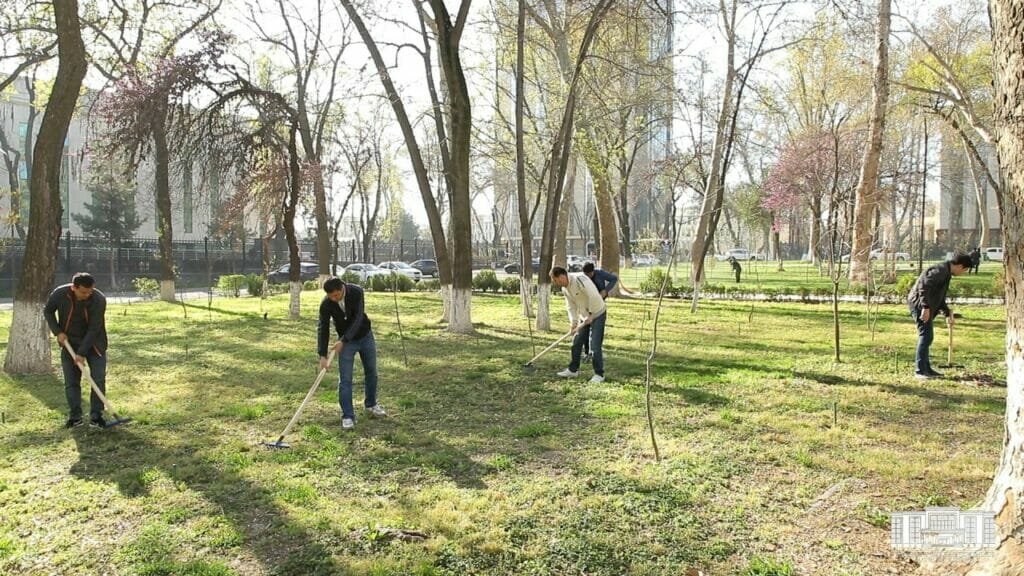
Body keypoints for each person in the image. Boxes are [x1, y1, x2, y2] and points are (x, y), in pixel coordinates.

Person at [318, 277, 387, 430]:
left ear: (342, 288)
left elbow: (357, 319)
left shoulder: (356, 292)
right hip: (345, 344)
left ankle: (371, 405)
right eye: (331, 297)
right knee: (345, 379)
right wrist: (322, 355)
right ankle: (348, 416)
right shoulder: (326, 303)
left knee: (371, 372)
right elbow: (323, 327)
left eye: (336, 295)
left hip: (364, 336)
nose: (334, 299)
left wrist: (344, 340)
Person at [43, 273, 109, 428]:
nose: (87, 295)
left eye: (90, 291)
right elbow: (48, 311)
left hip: (94, 344)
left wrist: (81, 353)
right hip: (69, 344)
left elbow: (94, 329)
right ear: (74, 288)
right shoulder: (60, 294)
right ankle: (75, 417)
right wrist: (58, 332)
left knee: (98, 379)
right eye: (83, 292)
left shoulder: (98, 299)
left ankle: (96, 416)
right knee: (71, 382)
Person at [907, 253, 972, 379]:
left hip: (926, 306)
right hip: (919, 305)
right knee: (925, 336)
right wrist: (925, 307)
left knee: (928, 337)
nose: (963, 273)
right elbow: (923, 286)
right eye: (964, 270)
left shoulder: (946, 272)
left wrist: (947, 312)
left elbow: (939, 297)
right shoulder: (940, 270)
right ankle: (920, 371)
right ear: (959, 266)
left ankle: (927, 369)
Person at [550, 266, 607, 383]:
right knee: (576, 342)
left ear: (562, 276)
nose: (556, 283)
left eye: (556, 280)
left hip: (597, 313)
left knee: (594, 345)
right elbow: (571, 307)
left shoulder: (580, 279)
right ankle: (573, 370)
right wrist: (574, 323)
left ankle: (599, 374)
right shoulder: (565, 289)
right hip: (584, 317)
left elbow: (593, 295)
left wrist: (591, 314)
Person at [580, 262, 617, 363]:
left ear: (593, 271)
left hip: (599, 306)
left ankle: (595, 352)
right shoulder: (582, 278)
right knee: (585, 331)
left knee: (596, 332)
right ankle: (587, 353)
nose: (587, 276)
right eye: (585, 274)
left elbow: (614, 279)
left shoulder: (600, 273)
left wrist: (606, 290)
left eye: (589, 274)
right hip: (587, 306)